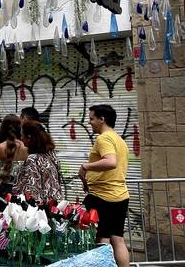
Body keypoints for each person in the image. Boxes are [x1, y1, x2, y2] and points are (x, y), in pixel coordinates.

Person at [78, 104, 130, 267]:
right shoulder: (118, 139)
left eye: (92, 118)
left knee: (102, 240)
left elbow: (111, 162)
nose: (89, 122)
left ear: (102, 119)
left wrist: (86, 167)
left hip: (103, 197)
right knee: (117, 239)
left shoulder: (104, 138)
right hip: (120, 196)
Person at [13, 120, 63, 200]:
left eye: (22, 135)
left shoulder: (32, 159)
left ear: (29, 138)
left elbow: (31, 190)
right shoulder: (51, 155)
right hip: (54, 204)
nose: (21, 139)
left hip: (40, 208)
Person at [0, 115, 28, 195]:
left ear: (2, 129)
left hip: (1, 195)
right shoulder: (27, 149)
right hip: (21, 195)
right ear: (19, 129)